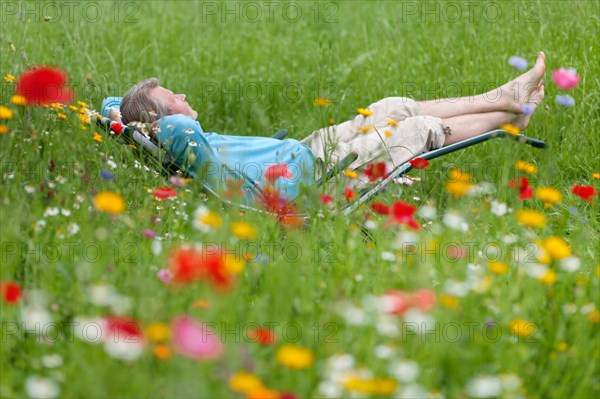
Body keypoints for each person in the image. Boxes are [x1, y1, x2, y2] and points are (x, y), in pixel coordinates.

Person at [112, 52, 546, 205]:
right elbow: (167, 125)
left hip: (310, 151)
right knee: (415, 131)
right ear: (164, 123)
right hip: (318, 179)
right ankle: (510, 113)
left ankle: (505, 98)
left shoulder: (185, 142)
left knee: (392, 106)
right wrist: (147, 121)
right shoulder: (187, 146)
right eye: (175, 101)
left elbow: (113, 105)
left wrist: (121, 119)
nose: (185, 98)